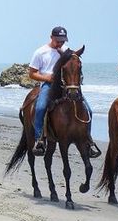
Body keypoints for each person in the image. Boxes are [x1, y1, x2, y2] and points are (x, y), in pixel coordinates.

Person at [29, 26, 101, 158]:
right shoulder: (40, 52)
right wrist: (46, 77)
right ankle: (39, 139)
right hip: (48, 85)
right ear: (51, 37)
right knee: (40, 107)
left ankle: (88, 140)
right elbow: (32, 74)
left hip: (66, 86)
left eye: (62, 41)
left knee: (88, 110)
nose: (60, 43)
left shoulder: (67, 52)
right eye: (58, 40)